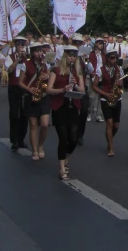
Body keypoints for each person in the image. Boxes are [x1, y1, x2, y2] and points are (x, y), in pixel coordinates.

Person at [46, 45, 85, 181]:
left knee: (73, 138)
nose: (72, 58)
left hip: (73, 107)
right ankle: (62, 168)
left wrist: (74, 86)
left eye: (74, 56)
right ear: (65, 56)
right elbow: (49, 90)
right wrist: (63, 89)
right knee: (63, 138)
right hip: (59, 107)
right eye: (70, 55)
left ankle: (66, 158)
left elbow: (82, 90)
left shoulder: (78, 72)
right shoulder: (56, 70)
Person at [19, 42, 50, 161]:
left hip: (43, 95)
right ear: (32, 53)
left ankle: (41, 145)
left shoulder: (44, 64)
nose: (39, 53)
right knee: (33, 125)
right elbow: (20, 82)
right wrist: (29, 88)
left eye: (40, 51)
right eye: (37, 51)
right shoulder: (25, 64)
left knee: (44, 125)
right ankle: (34, 150)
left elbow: (48, 77)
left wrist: (47, 76)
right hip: (30, 96)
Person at [92, 49, 123, 157]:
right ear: (107, 58)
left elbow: (122, 84)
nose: (114, 60)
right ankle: (110, 147)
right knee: (109, 123)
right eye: (112, 58)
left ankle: (109, 138)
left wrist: (120, 84)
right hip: (105, 99)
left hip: (117, 99)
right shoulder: (100, 70)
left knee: (116, 125)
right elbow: (94, 86)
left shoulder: (119, 69)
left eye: (116, 58)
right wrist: (105, 94)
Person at [5, 36, 29, 151]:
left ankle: (21, 139)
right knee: (14, 114)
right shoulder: (10, 57)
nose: (20, 47)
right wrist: (17, 60)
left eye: (22, 45)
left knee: (24, 115)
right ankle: (14, 140)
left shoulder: (28, 59)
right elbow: (9, 70)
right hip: (14, 87)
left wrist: (25, 59)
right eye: (19, 45)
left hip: (24, 88)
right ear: (15, 46)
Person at [88, 38, 106, 123]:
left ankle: (99, 115)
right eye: (99, 43)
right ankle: (89, 113)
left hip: (102, 76)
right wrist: (92, 74)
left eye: (102, 43)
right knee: (92, 96)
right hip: (94, 76)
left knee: (101, 97)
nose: (101, 45)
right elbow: (89, 65)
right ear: (96, 44)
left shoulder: (104, 55)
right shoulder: (91, 54)